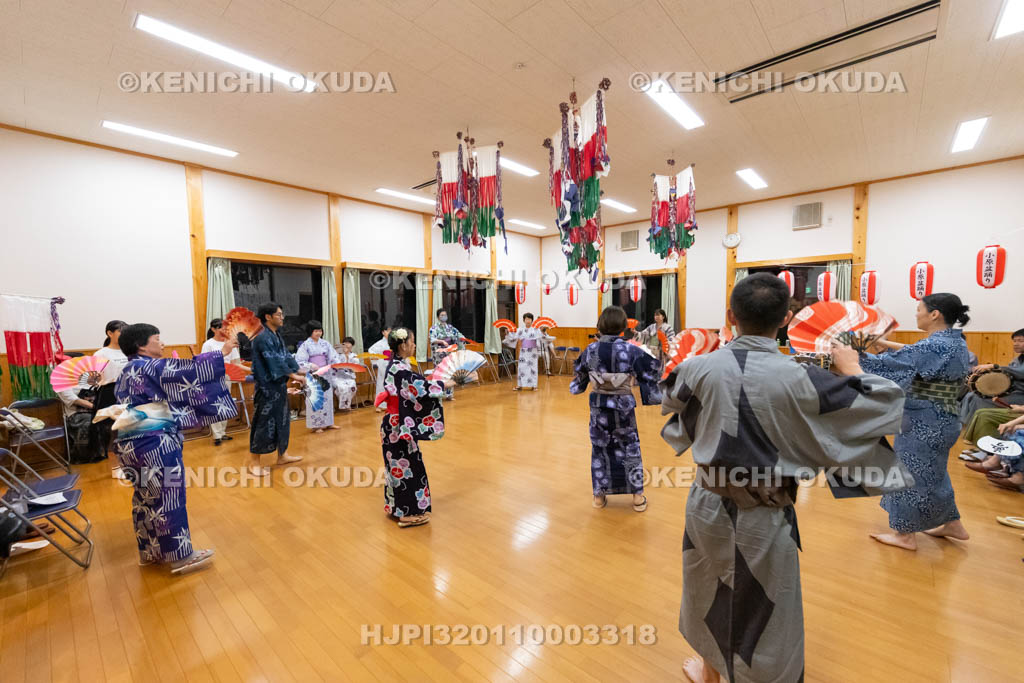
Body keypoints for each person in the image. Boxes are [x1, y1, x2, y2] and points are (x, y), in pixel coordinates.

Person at [661, 273, 909, 683]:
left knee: (706, 586)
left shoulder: (697, 367)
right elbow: (885, 403)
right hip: (765, 508)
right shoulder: (801, 377)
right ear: (785, 320)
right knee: (766, 607)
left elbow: (671, 401)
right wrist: (852, 368)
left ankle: (711, 671)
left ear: (730, 316)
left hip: (705, 502)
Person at [101, 323, 238, 575]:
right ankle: (181, 556)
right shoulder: (149, 366)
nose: (162, 343)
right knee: (169, 496)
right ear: (142, 345)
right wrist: (222, 351)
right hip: (154, 442)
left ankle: (150, 552)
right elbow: (191, 371)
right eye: (157, 339)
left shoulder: (128, 370)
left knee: (145, 497)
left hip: (129, 443)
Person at [859, 293, 973, 550]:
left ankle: (904, 534)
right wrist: (883, 342)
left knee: (908, 473)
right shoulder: (954, 341)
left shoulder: (934, 345)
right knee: (934, 472)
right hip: (944, 418)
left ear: (935, 314)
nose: (916, 314)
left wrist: (851, 354)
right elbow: (914, 353)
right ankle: (952, 523)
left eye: (919, 309)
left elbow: (894, 364)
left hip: (925, 421)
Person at [570, 306, 662, 512]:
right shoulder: (630, 350)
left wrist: (579, 386)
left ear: (601, 325)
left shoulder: (591, 350)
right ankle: (637, 497)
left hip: (599, 407)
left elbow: (579, 376)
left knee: (600, 447)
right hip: (623, 408)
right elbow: (651, 369)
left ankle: (599, 496)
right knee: (629, 447)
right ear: (622, 327)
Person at [379, 328, 461, 527]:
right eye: (412, 341)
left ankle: (396, 507)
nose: (414, 345)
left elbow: (417, 384)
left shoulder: (397, 364)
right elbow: (421, 388)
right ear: (403, 345)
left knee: (398, 466)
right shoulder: (399, 369)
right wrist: (450, 383)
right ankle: (406, 513)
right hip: (398, 425)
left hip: (394, 423)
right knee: (406, 467)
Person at [248, 302, 305, 474]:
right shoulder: (262, 336)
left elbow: (285, 355)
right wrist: (294, 375)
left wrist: (298, 369)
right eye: (279, 315)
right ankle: (254, 463)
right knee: (263, 423)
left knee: (282, 420)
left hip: (278, 386)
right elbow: (274, 361)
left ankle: (282, 455)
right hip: (266, 388)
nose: (282, 318)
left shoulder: (276, 335)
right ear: (268, 317)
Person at [958, 328, 1024, 425]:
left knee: (979, 399)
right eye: (1014, 341)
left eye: (1020, 341)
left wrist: (994, 366)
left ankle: (974, 427)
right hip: (1012, 392)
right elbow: (1009, 374)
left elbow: (1021, 372)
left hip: (1021, 396)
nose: (1016, 344)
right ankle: (965, 425)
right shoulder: (1017, 360)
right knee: (972, 395)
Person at [294, 320, 346, 433]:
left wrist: (337, 364)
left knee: (327, 399)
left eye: (320, 331)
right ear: (310, 331)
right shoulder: (305, 345)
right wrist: (311, 365)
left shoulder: (325, 344)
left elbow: (333, 356)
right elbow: (299, 361)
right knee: (316, 399)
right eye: (316, 331)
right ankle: (316, 425)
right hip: (313, 375)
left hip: (326, 374)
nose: (318, 333)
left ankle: (329, 422)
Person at [93, 320, 128, 477]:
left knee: (130, 429)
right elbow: (93, 379)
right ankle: (116, 468)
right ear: (110, 333)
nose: (124, 335)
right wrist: (95, 377)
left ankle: (131, 465)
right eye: (121, 331)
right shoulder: (101, 354)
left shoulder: (129, 350)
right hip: (109, 392)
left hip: (129, 391)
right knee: (112, 431)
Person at [201, 318, 244, 446]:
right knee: (215, 405)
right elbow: (204, 362)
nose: (224, 330)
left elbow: (236, 363)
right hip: (212, 377)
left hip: (227, 376)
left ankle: (223, 432)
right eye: (221, 328)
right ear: (213, 329)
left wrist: (250, 370)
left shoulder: (230, 343)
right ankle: (216, 435)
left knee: (225, 404)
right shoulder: (208, 344)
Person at [503, 312, 554, 391]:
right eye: (526, 319)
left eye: (529, 319)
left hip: (533, 352)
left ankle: (534, 386)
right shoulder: (520, 329)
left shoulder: (536, 330)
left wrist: (543, 331)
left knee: (533, 368)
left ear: (532, 320)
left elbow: (542, 337)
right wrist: (508, 333)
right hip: (523, 351)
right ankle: (520, 385)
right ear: (524, 320)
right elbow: (513, 337)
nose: (528, 321)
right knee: (521, 368)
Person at [429, 308, 464, 400]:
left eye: (445, 315)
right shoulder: (434, 328)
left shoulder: (450, 327)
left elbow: (458, 334)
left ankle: (449, 395)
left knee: (449, 372)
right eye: (442, 315)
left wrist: (462, 338)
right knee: (439, 373)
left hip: (449, 352)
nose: (444, 317)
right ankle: (438, 394)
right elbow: (432, 339)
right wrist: (441, 341)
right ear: (438, 317)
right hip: (439, 354)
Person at [368, 325, 392, 411]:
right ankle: (379, 405)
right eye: (387, 330)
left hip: (391, 364)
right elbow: (371, 350)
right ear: (383, 332)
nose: (389, 332)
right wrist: (376, 359)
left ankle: (390, 404)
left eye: (390, 330)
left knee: (391, 384)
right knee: (381, 384)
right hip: (383, 364)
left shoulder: (393, 342)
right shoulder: (380, 343)